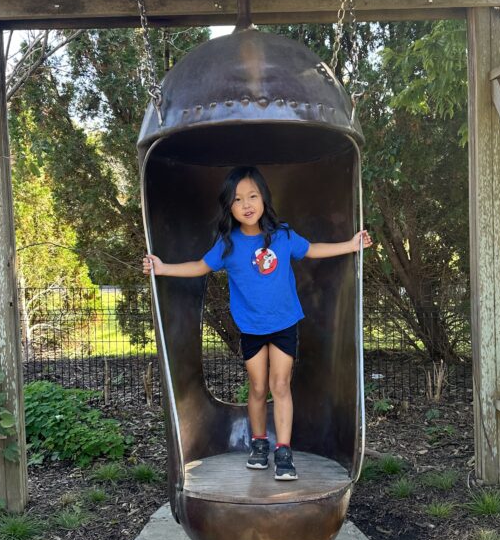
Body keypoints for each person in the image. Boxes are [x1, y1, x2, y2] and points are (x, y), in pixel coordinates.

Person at [143, 165, 371, 481]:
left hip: (284, 324)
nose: (247, 204)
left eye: (252, 196)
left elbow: (313, 249)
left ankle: (284, 451)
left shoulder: (283, 236)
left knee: (280, 385)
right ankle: (260, 444)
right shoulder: (228, 245)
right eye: (238, 200)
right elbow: (199, 266)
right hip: (251, 328)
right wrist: (163, 268)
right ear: (230, 207)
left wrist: (351, 244)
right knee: (259, 387)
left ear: (263, 198)